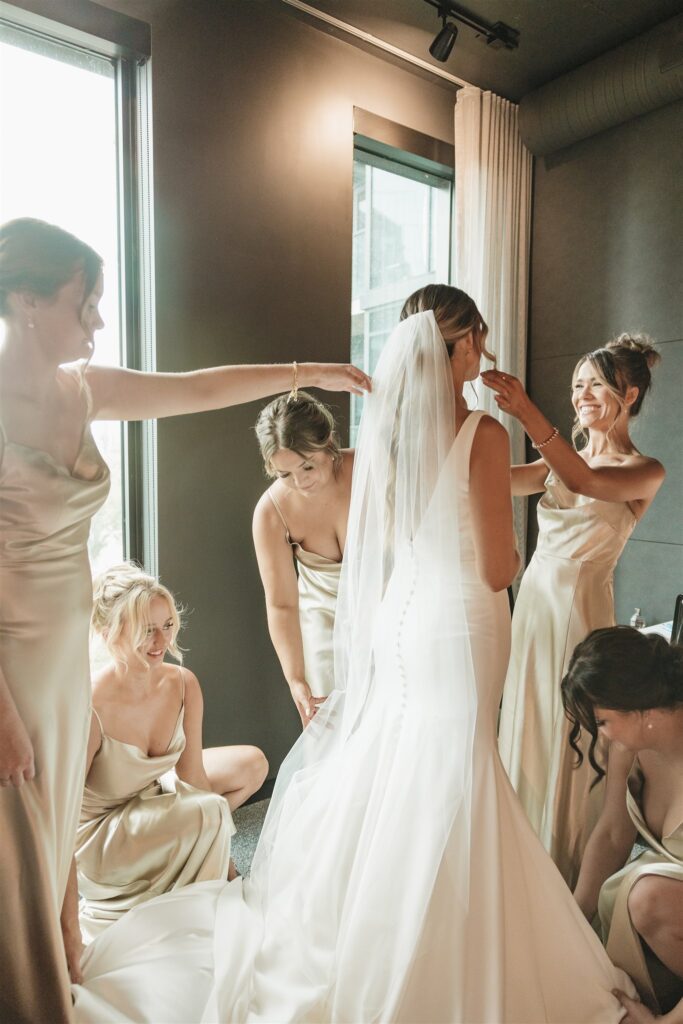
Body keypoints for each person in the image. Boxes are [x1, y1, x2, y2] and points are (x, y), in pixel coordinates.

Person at [73, 285, 632, 1023]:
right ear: (458, 345)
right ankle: (437, 934)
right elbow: (498, 570)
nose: (482, 347)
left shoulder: (393, 439)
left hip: (405, 621)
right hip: (462, 622)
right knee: (457, 770)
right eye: (477, 337)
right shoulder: (482, 433)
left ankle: (380, 917)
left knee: (407, 767)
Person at [0, 216, 370, 1024]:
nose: (97, 320)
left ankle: (62, 964)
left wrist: (308, 371)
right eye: (84, 302)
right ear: (28, 300)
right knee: (14, 839)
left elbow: (197, 387)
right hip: (9, 662)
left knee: (54, 817)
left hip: (64, 652)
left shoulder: (83, 390)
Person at [482, 336, 665, 886]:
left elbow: (585, 483)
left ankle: (558, 872)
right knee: (524, 727)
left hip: (578, 613)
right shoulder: (562, 460)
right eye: (576, 385)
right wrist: (464, 441)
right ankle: (518, 863)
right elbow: (501, 480)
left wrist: (526, 411)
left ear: (629, 394)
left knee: (564, 736)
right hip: (533, 607)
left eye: (595, 384)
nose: (582, 394)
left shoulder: (642, 469)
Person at [59, 564, 268, 966]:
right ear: (108, 634)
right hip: (99, 835)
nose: (160, 642)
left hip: (150, 798)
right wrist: (67, 925)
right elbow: (63, 823)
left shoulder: (183, 683)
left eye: (167, 625)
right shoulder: (89, 706)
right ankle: (182, 874)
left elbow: (192, 779)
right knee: (207, 811)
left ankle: (182, 856)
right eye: (145, 630)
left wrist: (221, 853)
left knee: (246, 770)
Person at [563, 626, 683, 1017]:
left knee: (645, 897)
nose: (601, 733)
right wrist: (573, 921)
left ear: (641, 708)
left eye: (602, 720)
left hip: (660, 906)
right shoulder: (628, 747)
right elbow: (614, 834)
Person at [253, 392, 352, 725]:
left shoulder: (372, 470)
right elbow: (281, 604)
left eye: (308, 465)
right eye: (284, 474)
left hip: (391, 621)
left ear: (329, 443)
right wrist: (296, 678)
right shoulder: (271, 512)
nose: (300, 481)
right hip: (323, 633)